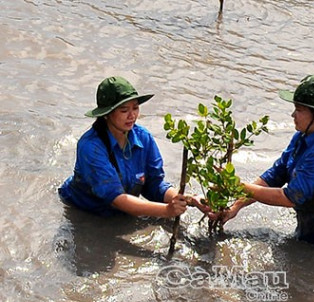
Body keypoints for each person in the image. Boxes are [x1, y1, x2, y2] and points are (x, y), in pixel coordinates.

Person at [211, 75, 314, 253]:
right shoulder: (302, 137)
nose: (293, 115)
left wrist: (237, 185)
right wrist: (235, 206)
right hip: (310, 231)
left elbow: (289, 198)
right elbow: (275, 175)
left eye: (298, 110)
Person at [59, 76, 205, 218]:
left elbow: (154, 185)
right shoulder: (90, 147)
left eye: (135, 108)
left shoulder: (143, 137)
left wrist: (186, 200)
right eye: (124, 110)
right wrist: (166, 211)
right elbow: (117, 199)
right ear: (106, 114)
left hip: (123, 207)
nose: (132, 115)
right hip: (85, 210)